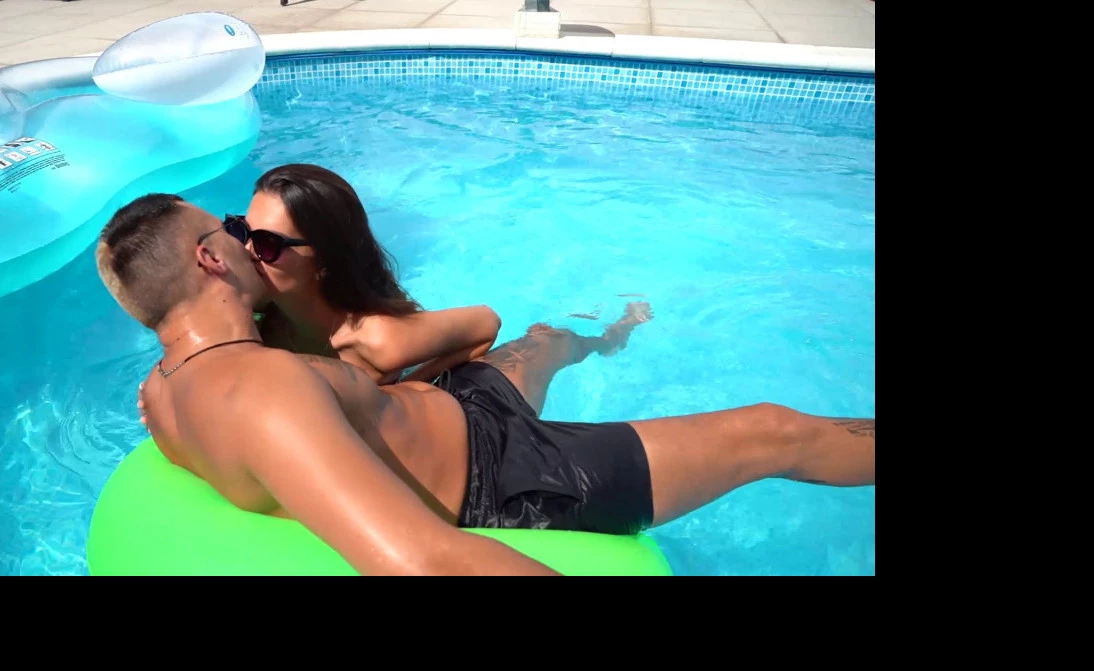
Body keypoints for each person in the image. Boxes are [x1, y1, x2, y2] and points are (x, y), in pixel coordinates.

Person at [99, 195, 875, 576]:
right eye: (232, 231)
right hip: (516, 478)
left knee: (539, 342)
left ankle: (606, 335)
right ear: (210, 259)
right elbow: (424, 560)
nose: (245, 241)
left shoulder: (161, 392)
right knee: (773, 429)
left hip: (464, 408)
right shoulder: (259, 390)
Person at [238, 163, 650, 391]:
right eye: (241, 231)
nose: (245, 252)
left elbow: (486, 322)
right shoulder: (255, 318)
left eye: (267, 244)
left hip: (481, 411)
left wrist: (408, 388)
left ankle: (616, 331)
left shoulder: (374, 340)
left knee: (550, 344)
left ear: (324, 261)